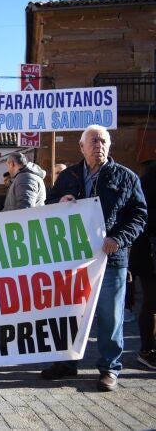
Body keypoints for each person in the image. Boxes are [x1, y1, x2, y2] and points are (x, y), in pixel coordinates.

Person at [40, 124, 147, 392]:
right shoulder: (69, 176)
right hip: (73, 262)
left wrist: (119, 239)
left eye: (103, 141)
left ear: (109, 146)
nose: (99, 145)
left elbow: (139, 215)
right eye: (94, 141)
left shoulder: (126, 177)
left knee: (110, 316)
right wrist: (59, 203)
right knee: (70, 314)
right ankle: (67, 362)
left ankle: (110, 368)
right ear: (81, 147)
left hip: (110, 260)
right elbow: (48, 205)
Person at [129, 160, 156, 369]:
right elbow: (141, 216)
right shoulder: (147, 180)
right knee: (151, 302)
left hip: (145, 252)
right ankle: (147, 350)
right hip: (149, 253)